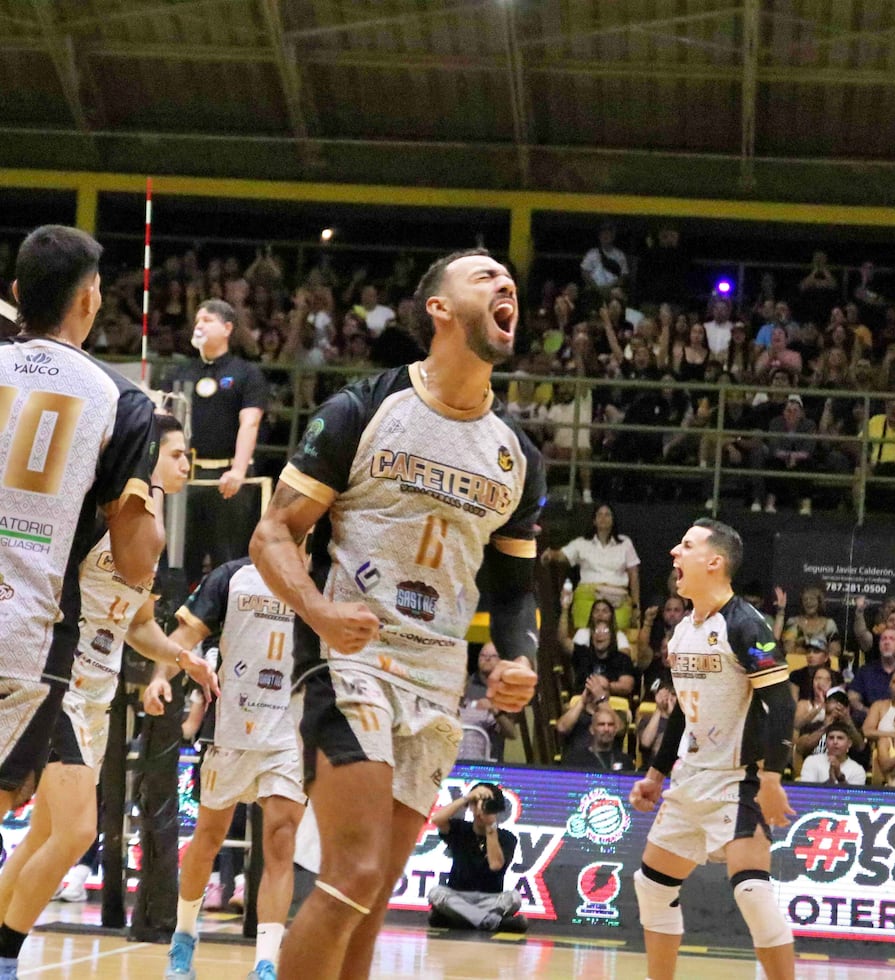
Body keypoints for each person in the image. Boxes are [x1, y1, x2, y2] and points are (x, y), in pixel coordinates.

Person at [248, 249, 543, 980]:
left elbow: (514, 590)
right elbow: (272, 533)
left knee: (373, 894)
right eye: (484, 276)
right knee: (353, 871)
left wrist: (519, 658)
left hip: (436, 680)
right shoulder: (364, 408)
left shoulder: (517, 456)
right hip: (350, 660)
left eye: (508, 279)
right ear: (438, 308)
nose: (505, 283)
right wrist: (319, 610)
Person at [0, 415, 219, 980]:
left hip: (97, 698)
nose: (186, 465)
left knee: (43, 836)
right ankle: (6, 955)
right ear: (148, 456)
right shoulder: (99, 513)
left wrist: (183, 658)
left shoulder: (149, 540)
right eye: (177, 454)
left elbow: (138, 626)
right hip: (60, 681)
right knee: (78, 831)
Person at [0, 225, 160, 826]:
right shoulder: (123, 401)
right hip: (26, 633)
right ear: (91, 298)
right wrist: (148, 492)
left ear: (18, 292)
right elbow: (135, 563)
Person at [628, 519, 795, 980]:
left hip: (737, 780)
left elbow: (782, 704)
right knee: (652, 886)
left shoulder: (747, 625)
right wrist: (656, 775)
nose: (674, 553)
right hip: (690, 779)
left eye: (686, 545)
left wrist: (772, 778)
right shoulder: (683, 631)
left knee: (752, 893)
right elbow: (683, 712)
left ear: (714, 562)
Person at [146, 556, 306, 980]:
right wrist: (160, 676)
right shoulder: (233, 576)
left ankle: (266, 963)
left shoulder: (321, 577)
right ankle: (183, 938)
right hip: (230, 727)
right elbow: (185, 635)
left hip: (289, 732)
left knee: (281, 842)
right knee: (208, 838)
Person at [172, 299, 268, 588]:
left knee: (227, 557)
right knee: (179, 558)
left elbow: (250, 423)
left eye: (207, 320)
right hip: (186, 476)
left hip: (227, 479)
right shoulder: (181, 373)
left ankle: (223, 613)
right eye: (197, 320)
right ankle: (177, 611)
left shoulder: (246, 373)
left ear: (227, 328)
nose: (199, 326)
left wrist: (238, 470)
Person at [427, 782, 525, 933]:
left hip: (490, 899)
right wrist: (467, 798)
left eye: (487, 805)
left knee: (514, 898)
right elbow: (436, 820)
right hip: (458, 895)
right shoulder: (460, 828)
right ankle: (492, 922)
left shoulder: (507, 837)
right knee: (436, 893)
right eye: (476, 804)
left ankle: (460, 919)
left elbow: (495, 865)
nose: (481, 810)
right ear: (471, 807)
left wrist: (490, 826)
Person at [541, 502, 641, 631]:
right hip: (587, 597)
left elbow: (634, 574)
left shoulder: (625, 543)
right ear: (594, 520)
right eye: (600, 515)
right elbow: (562, 555)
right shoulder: (582, 543)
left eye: (607, 515)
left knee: (618, 635)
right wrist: (550, 555)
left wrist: (636, 606)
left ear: (613, 520)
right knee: (583, 635)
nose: (603, 518)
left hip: (617, 598)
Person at [458, 643, 518, 761]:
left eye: (493, 656)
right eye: (483, 655)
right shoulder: (467, 683)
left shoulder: (507, 689)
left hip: (486, 762)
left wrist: (494, 710)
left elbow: (512, 733)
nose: (487, 659)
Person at [563, 703, 634, 772]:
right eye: (601, 724)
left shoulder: (626, 761)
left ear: (615, 730)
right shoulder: (575, 760)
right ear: (592, 730)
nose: (606, 729)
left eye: (610, 725)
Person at [798, 721, 867, 786]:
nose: (835, 742)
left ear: (849, 743)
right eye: (831, 738)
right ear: (826, 742)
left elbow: (852, 794)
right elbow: (806, 791)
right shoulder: (811, 761)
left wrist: (839, 776)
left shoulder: (857, 770)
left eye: (840, 738)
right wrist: (830, 781)